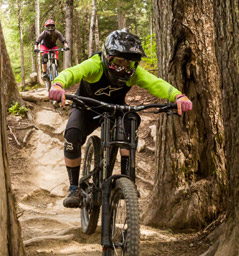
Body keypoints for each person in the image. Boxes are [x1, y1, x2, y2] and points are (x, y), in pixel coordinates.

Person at [48, 29, 193, 208]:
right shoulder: (95, 65)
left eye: (131, 64)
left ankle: (127, 179)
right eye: (119, 61)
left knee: (130, 122)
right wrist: (58, 84)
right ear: (107, 57)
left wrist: (178, 97)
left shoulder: (135, 74)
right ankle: (73, 188)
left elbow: (156, 84)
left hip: (116, 110)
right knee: (72, 135)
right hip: (86, 108)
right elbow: (72, 72)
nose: (124, 68)